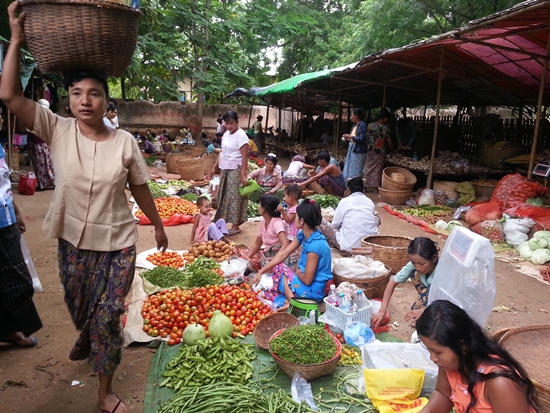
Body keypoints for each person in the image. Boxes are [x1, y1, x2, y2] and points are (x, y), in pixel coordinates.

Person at [0, 5, 169, 412]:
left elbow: (142, 189)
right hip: (73, 242)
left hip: (118, 243)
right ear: (68, 99)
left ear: (106, 100)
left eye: (94, 93)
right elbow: (8, 95)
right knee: (82, 309)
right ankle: (92, 338)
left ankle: (104, 390)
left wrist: (159, 226)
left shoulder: (126, 142)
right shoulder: (54, 127)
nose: (85, 101)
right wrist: (17, 37)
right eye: (77, 93)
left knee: (109, 315)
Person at [416, 300, 538, 413]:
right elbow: (443, 394)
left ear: (462, 346)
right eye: (429, 350)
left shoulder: (500, 383)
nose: (433, 358)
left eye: (437, 352)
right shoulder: (451, 363)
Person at [252, 199, 332, 311]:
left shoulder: (316, 245)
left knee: (281, 271)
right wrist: (261, 271)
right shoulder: (303, 234)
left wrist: (298, 274)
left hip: (312, 292)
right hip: (306, 284)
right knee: (278, 269)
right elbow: (284, 253)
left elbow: (308, 280)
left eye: (297, 216)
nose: (294, 219)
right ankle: (289, 300)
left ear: (302, 221)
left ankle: (293, 302)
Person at [0, 144, 42, 348]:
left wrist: (16, 212)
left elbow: (4, 184)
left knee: (18, 279)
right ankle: (9, 331)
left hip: (5, 220)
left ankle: (8, 330)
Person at [371, 237, 439, 328]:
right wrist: (382, 310)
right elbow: (392, 282)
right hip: (428, 291)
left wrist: (425, 311)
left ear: (434, 259)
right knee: (413, 272)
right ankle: (425, 301)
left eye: (422, 264)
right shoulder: (414, 265)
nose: (418, 267)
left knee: (431, 324)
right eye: (414, 263)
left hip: (442, 300)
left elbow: (447, 301)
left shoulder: (442, 272)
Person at [210, 110, 249, 236]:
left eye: (231, 123)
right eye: (227, 123)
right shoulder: (226, 134)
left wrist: (243, 175)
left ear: (237, 122)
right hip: (225, 169)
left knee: (235, 197)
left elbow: (244, 156)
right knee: (224, 196)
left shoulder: (241, 136)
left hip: (236, 170)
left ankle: (235, 226)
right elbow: (223, 152)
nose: (229, 126)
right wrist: (214, 166)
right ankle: (222, 222)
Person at [318, 177, 380, 252]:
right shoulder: (369, 202)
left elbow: (335, 224)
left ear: (348, 190)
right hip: (369, 245)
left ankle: (328, 246)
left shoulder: (345, 201)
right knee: (376, 216)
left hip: (349, 247)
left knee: (321, 222)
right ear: (363, 190)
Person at [245, 194, 290, 271]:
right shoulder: (263, 223)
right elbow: (257, 244)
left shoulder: (276, 223)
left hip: (277, 258)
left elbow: (285, 243)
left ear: (264, 209)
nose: (258, 207)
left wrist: (275, 260)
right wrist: (247, 258)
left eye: (260, 204)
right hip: (268, 256)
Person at [27, 99, 55, 190]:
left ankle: (47, 183)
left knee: (44, 163)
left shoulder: (48, 116)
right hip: (37, 142)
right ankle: (45, 183)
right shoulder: (34, 116)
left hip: (40, 142)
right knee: (42, 163)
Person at [364, 108, 395, 191]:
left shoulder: (370, 125)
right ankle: (375, 187)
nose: (388, 120)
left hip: (369, 149)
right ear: (384, 118)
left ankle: (365, 186)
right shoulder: (385, 128)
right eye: (387, 118)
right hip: (379, 151)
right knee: (377, 170)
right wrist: (393, 150)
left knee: (367, 168)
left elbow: (366, 137)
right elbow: (389, 141)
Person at [342, 108, 368, 182]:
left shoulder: (362, 125)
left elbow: (363, 139)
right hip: (352, 149)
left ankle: (355, 185)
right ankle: (349, 185)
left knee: (356, 170)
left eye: (352, 115)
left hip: (358, 151)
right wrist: (348, 138)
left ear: (356, 116)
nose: (351, 117)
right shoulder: (354, 126)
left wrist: (351, 137)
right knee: (349, 168)